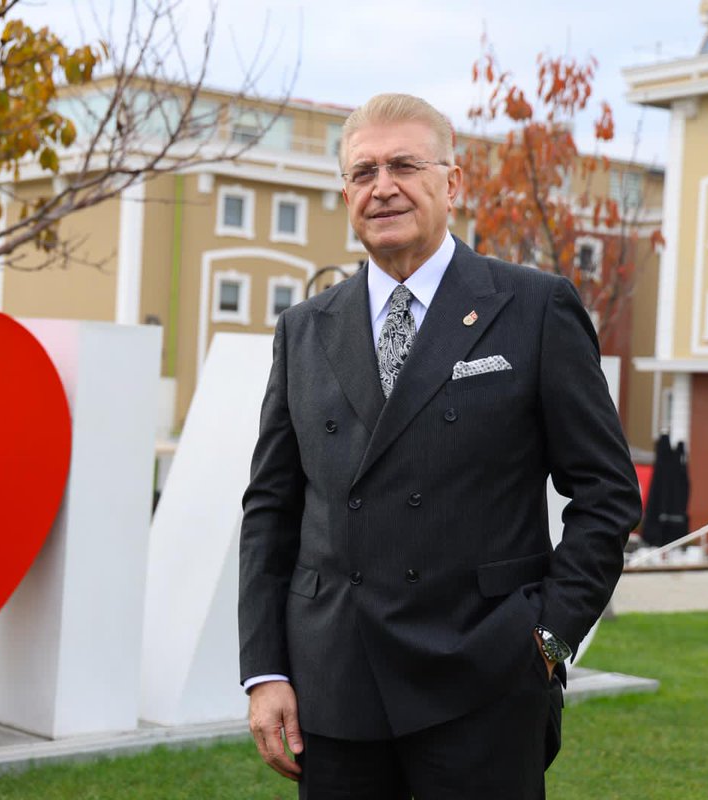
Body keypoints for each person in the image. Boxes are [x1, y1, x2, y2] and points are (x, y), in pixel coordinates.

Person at [237, 93, 642, 799]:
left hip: (484, 684)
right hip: (336, 689)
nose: (382, 186)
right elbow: (272, 508)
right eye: (363, 172)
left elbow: (607, 493)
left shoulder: (534, 308)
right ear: (345, 194)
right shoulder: (303, 329)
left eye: (404, 164)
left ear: (452, 184)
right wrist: (266, 670)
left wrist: (548, 640)